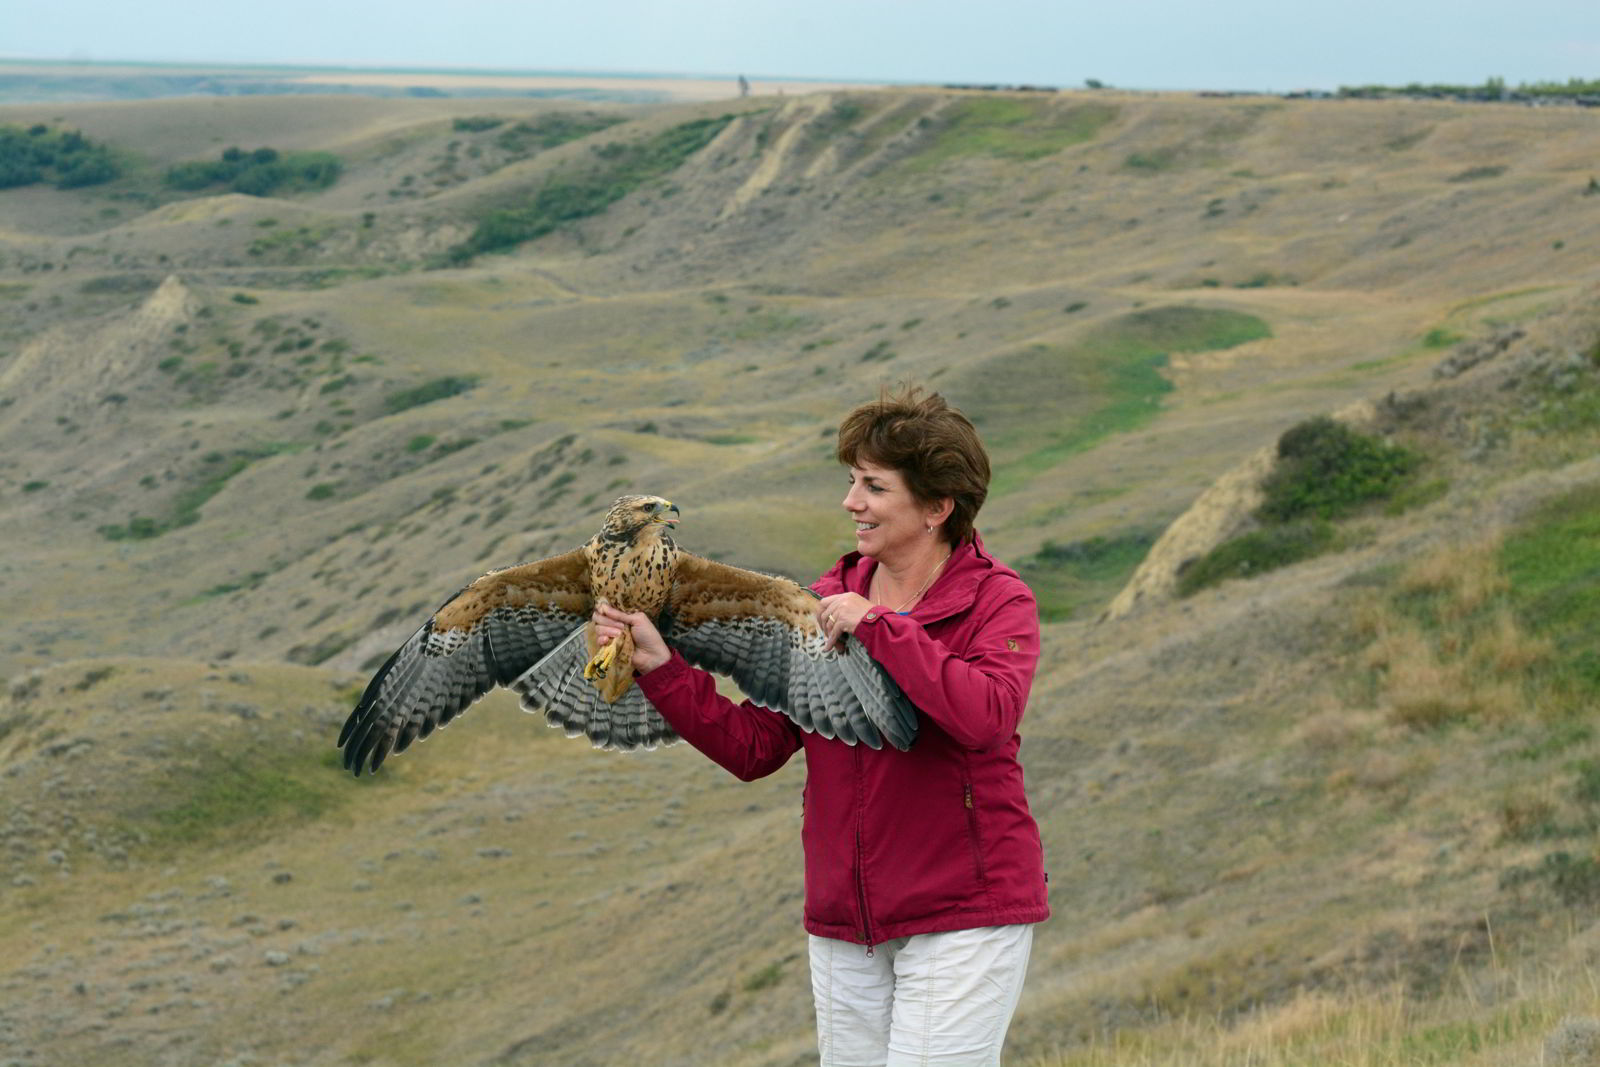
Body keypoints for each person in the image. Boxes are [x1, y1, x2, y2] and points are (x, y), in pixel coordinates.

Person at [594, 385, 1048, 1066]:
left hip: (964, 917)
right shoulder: (823, 599)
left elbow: (985, 716)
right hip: (845, 924)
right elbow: (756, 747)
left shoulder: (995, 600)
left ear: (936, 507)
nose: (851, 502)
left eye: (873, 486)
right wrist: (662, 669)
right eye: (850, 481)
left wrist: (883, 628)